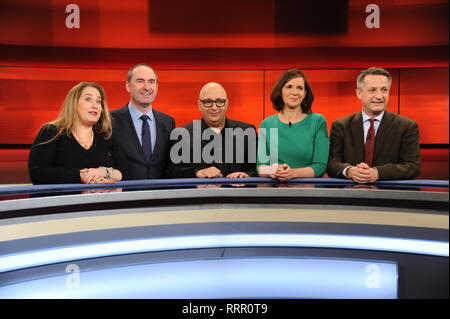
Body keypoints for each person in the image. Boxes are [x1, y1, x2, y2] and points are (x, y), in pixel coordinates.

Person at [327, 67, 421, 183]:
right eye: (372, 90)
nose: (379, 96)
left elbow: (413, 167)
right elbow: (332, 163)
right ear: (359, 93)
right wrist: (350, 171)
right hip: (349, 194)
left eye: (384, 90)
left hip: (390, 196)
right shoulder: (341, 126)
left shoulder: (407, 127)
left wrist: (378, 172)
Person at [28, 82, 123, 184]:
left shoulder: (106, 136)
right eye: (88, 99)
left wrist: (103, 172)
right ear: (74, 103)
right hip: (62, 199)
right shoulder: (51, 132)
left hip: (100, 199)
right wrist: (80, 176)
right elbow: (37, 173)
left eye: (98, 101)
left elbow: (123, 172)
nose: (95, 105)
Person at [167, 82, 257, 178]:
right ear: (199, 105)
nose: (214, 107)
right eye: (207, 102)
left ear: (227, 104)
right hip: (200, 193)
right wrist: (197, 173)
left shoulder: (247, 132)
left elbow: (258, 168)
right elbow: (171, 172)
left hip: (238, 193)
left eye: (220, 101)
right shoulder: (182, 135)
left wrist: (247, 175)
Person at [257, 69, 329, 182]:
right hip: (274, 190)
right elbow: (260, 167)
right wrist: (273, 171)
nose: (294, 92)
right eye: (289, 87)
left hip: (308, 192)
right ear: (280, 91)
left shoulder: (318, 121)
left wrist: (293, 173)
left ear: (305, 93)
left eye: (300, 88)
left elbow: (320, 166)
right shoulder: (267, 124)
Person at [111, 64, 175, 180]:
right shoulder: (110, 120)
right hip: (124, 195)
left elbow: (170, 165)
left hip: (159, 195)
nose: (147, 87)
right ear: (128, 86)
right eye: (140, 81)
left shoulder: (168, 122)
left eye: (151, 82)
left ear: (156, 86)